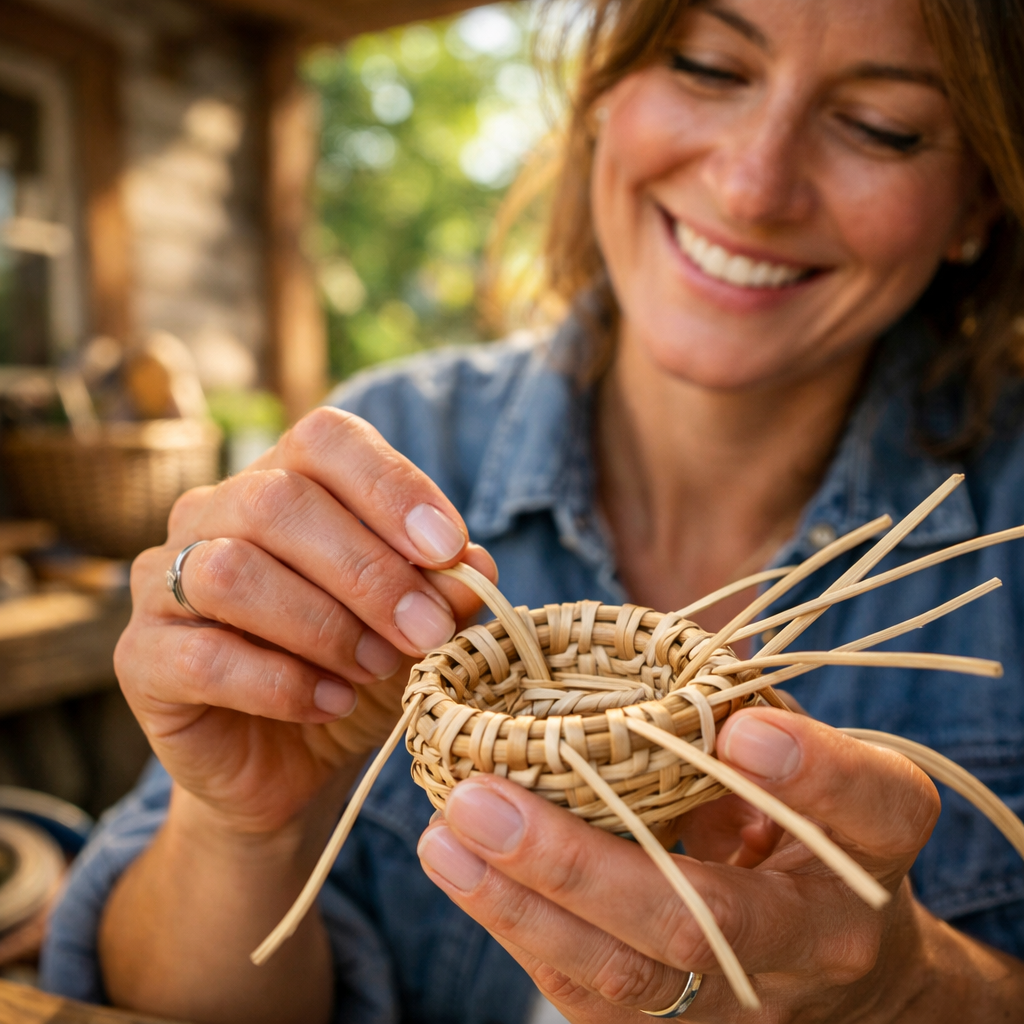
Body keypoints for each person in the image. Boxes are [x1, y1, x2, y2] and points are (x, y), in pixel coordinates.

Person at [40, 0, 1024, 1020]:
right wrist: (240, 830)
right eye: (705, 66)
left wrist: (917, 991)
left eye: (882, 126)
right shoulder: (393, 458)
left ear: (976, 202)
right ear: (604, 91)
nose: (752, 183)